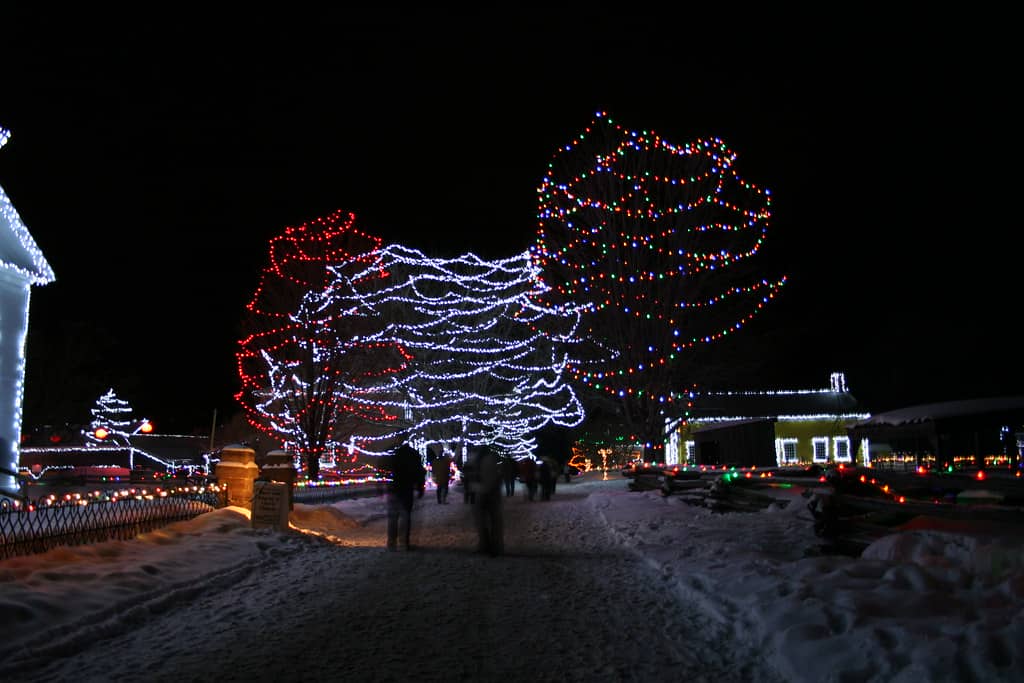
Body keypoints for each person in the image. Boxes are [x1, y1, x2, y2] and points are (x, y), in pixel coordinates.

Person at [384, 443, 426, 551]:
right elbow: (419, 471)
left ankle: (391, 542)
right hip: (406, 488)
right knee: (405, 516)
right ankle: (403, 542)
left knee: (393, 516)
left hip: (394, 487)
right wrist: (420, 487)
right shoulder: (413, 454)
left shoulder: (392, 453)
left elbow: (384, 469)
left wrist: (381, 486)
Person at [471, 444, 504, 556]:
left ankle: (487, 545)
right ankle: (494, 546)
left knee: (483, 521)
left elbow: (486, 479)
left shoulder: (482, 461)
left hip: (484, 493)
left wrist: (477, 487)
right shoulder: (491, 460)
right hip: (489, 493)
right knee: (493, 521)